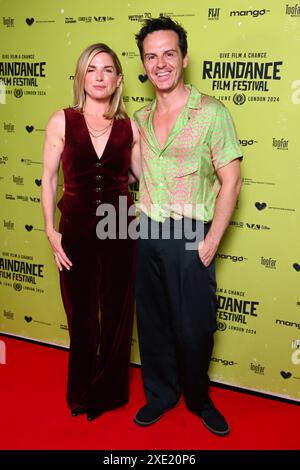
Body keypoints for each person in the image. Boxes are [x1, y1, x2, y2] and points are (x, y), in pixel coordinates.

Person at [133, 17, 242, 436]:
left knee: (195, 327)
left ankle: (199, 398)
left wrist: (212, 238)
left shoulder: (212, 112)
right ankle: (160, 395)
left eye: (168, 54)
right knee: (154, 323)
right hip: (147, 231)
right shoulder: (140, 117)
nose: (160, 63)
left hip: (192, 233)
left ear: (184, 57)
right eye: (151, 56)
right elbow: (137, 171)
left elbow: (231, 180)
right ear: (144, 63)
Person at [41, 43, 140, 421]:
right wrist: (51, 231)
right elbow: (48, 181)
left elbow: (138, 177)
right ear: (81, 76)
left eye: (108, 70)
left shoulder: (129, 126)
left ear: (118, 80)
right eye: (92, 69)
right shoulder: (62, 120)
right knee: (81, 316)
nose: (100, 76)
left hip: (120, 228)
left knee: (116, 315)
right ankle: (81, 392)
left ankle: (109, 393)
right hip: (76, 230)